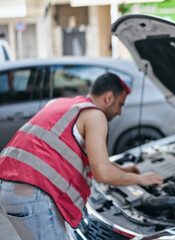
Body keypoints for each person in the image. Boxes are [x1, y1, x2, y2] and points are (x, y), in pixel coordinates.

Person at [0, 72, 163, 240]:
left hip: (9, 185)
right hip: (32, 192)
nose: (120, 112)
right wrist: (141, 179)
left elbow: (89, 159)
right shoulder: (94, 114)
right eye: (120, 104)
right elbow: (102, 173)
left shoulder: (63, 103)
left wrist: (122, 169)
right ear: (108, 97)